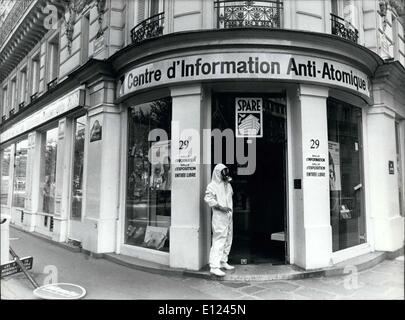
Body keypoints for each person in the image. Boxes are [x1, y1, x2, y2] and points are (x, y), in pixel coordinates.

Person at [204, 163, 234, 277]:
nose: (225, 174)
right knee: (219, 240)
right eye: (223, 172)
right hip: (219, 217)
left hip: (229, 215)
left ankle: (222, 261)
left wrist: (227, 184)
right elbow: (208, 199)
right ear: (217, 172)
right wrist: (221, 207)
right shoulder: (212, 185)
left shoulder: (227, 184)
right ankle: (214, 266)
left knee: (228, 238)